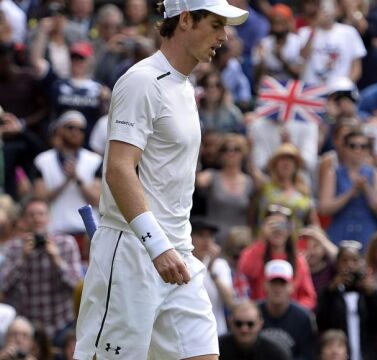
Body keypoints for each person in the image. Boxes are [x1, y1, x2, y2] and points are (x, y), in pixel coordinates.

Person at [73, 0, 249, 359]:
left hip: (177, 255)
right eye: (216, 24)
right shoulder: (141, 81)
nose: (224, 36)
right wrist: (157, 245)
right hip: (132, 254)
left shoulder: (183, 87)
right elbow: (119, 169)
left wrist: (168, 248)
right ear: (185, 20)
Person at [0, 199, 83, 340]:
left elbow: (77, 286)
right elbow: (4, 287)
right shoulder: (13, 248)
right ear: (24, 220)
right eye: (31, 215)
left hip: (62, 323)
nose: (36, 218)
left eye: (41, 214)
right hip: (28, 327)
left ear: (49, 218)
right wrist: (22, 259)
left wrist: (57, 259)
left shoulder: (66, 243)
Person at [32, 110, 102, 261]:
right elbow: (40, 199)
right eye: (71, 127)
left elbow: (97, 200)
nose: (76, 132)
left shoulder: (95, 160)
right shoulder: (42, 161)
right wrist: (65, 181)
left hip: (87, 234)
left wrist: (77, 178)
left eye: (80, 129)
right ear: (59, 130)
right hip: (55, 232)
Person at [315, 241, 377, 360]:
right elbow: (321, 324)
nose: (349, 265)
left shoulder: (372, 293)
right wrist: (331, 291)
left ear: (362, 263)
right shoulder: (328, 292)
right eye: (344, 260)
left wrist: (371, 295)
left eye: (354, 260)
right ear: (337, 264)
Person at [238, 204, 317, 309]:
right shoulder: (252, 252)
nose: (277, 230)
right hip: (260, 316)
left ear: (290, 229)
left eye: (283, 225)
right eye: (272, 225)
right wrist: (263, 240)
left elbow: (308, 297)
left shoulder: (298, 260)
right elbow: (247, 272)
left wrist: (293, 313)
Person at [319, 129, 377, 247]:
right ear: (344, 148)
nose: (357, 150)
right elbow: (324, 208)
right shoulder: (333, 173)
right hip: (339, 233)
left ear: (368, 150)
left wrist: (367, 190)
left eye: (363, 146)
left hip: (367, 234)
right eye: (352, 146)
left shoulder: (375, 173)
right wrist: (350, 193)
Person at [258, 259, 317, 360]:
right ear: (265, 285)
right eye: (273, 283)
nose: (277, 288)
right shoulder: (253, 314)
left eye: (282, 283)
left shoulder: (303, 318)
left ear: (291, 286)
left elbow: (307, 355)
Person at [190, 216, 234, 336]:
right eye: (201, 235)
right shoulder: (181, 263)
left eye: (210, 236)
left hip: (216, 333)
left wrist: (211, 270)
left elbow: (230, 302)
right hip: (189, 332)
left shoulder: (220, 265)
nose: (206, 240)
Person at [219, 300, 292, 360]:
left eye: (250, 324)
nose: (244, 329)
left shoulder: (276, 353)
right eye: (238, 324)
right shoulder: (217, 348)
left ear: (260, 324)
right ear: (230, 323)